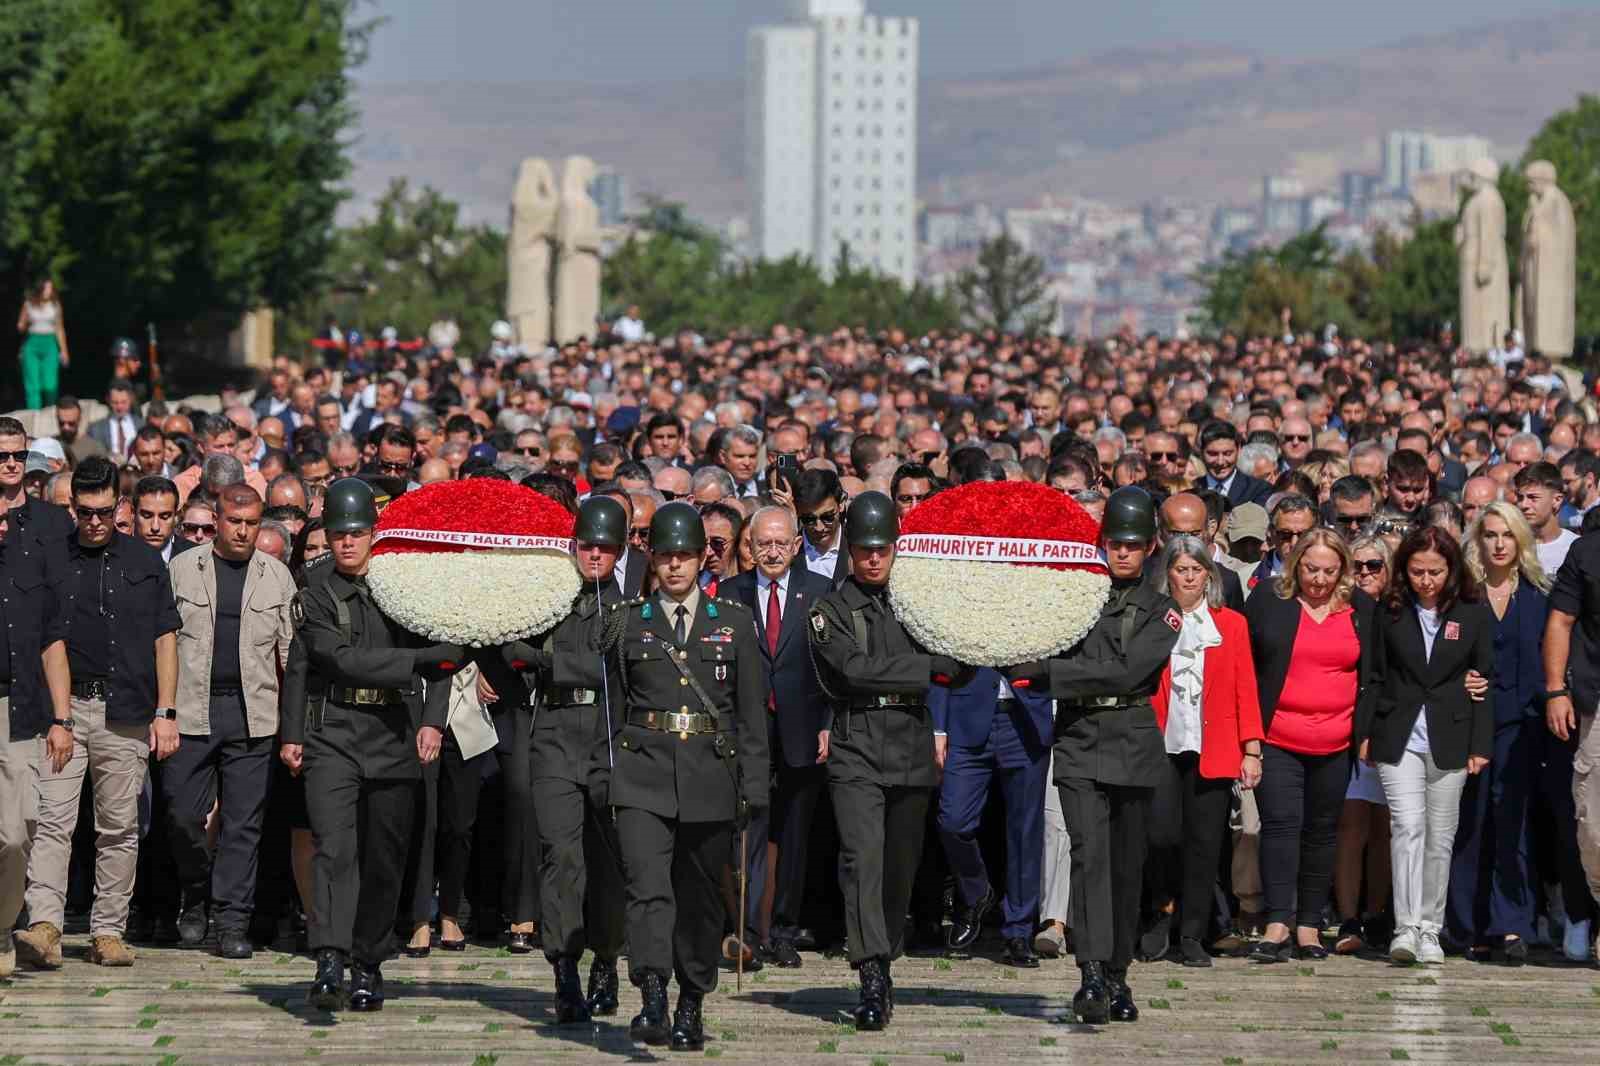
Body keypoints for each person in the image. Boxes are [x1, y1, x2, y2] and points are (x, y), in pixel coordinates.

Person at [1005, 486, 1181, 1024]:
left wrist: (1055, 678)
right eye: (1114, 542)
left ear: (1151, 546)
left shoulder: (1164, 609)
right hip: (1081, 739)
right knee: (1088, 858)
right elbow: (1039, 647)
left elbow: (1131, 673)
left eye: (1132, 543)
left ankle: (1120, 972)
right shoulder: (1077, 599)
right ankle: (1092, 977)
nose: (1122, 552)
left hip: (1130, 737)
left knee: (1127, 867)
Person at [280, 478, 457, 1011]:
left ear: (375, 534)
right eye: (337, 534)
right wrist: (293, 733)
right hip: (333, 730)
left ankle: (368, 962)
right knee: (334, 847)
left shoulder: (401, 587)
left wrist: (433, 719)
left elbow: (444, 655)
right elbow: (314, 664)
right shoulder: (314, 591)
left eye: (357, 533)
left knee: (385, 856)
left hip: (394, 731)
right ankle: (330, 956)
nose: (347, 543)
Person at [598, 501, 767, 1050]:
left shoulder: (734, 625)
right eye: (666, 556)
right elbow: (615, 704)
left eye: (685, 557)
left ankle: (691, 999)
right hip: (643, 771)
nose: (674, 567)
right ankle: (650, 990)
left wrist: (755, 786)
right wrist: (611, 772)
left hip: (710, 774)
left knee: (698, 899)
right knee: (647, 888)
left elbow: (749, 715)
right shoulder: (628, 621)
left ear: (702, 560)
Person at [14, 456, 181, 970]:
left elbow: (165, 639)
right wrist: (59, 718)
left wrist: (166, 711)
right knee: (52, 820)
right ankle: (45, 925)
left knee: (118, 826)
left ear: (119, 506)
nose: (94, 522)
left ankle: (109, 931)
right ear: (72, 509)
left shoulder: (145, 561)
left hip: (127, 709)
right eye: (84, 512)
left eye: (104, 511)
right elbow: (45, 640)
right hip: (65, 711)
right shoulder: (51, 560)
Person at [807, 490, 962, 1029]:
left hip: (911, 742)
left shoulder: (916, 602)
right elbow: (851, 670)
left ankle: (886, 950)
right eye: (865, 549)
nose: (874, 558)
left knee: (899, 865)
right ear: (850, 550)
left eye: (884, 549)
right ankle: (870, 969)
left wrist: (945, 662)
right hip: (857, 743)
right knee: (861, 859)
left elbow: (959, 664)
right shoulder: (830, 609)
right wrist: (925, 669)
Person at [498, 497, 629, 1023]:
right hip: (552, 733)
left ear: (619, 551)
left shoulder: (625, 609)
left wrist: (546, 661)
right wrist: (531, 661)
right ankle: (565, 969)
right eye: (585, 545)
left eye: (603, 547)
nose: (593, 554)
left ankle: (606, 958)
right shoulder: (549, 600)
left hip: (608, 738)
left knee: (612, 862)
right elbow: (508, 647)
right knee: (561, 858)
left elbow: (602, 667)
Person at [164, 484, 296, 958]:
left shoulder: (277, 577)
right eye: (234, 521)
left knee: (244, 823)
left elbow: (290, 655)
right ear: (216, 520)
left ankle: (232, 921)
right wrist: (162, 713)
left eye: (251, 522)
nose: (242, 531)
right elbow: (160, 647)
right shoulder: (182, 569)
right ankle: (196, 890)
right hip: (190, 707)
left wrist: (293, 725)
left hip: (253, 714)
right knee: (181, 815)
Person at [1244, 528, 1378, 962]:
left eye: (1329, 571)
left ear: (1342, 571)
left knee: (1322, 833)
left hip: (1336, 741)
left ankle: (1309, 925)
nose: (1319, 580)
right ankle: (1278, 920)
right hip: (1278, 736)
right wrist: (1248, 741)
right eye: (1310, 569)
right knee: (1281, 825)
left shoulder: (1362, 608)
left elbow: (1375, 676)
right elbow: (1245, 670)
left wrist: (1365, 733)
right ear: (1296, 562)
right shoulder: (1268, 600)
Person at [1362, 526, 1493, 965]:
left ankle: (1431, 928)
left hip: (1452, 735)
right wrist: (1363, 733)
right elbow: (1374, 674)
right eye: (1417, 571)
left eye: (1435, 571)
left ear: (1452, 569)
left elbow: (1484, 679)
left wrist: (1480, 744)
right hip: (1397, 734)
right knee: (1407, 827)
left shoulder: (1472, 611)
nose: (1426, 580)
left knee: (1440, 836)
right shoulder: (1391, 609)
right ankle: (1405, 926)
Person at [722, 506, 835, 969]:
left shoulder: (820, 591)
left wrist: (828, 722)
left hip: (802, 731)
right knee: (748, 832)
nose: (771, 552)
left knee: (794, 836)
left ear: (794, 546)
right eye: (762, 543)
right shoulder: (730, 594)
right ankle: (747, 933)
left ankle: (785, 931)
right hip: (749, 734)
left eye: (780, 543)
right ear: (749, 546)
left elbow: (833, 665)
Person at [1145, 536, 1263, 968]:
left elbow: (1245, 687)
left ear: (1208, 576)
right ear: (1169, 575)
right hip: (1162, 745)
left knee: (1204, 843)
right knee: (1161, 835)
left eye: (1197, 569)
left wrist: (1252, 750)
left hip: (1215, 745)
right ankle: (1162, 911)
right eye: (1181, 569)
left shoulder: (1230, 624)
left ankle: (1193, 932)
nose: (1190, 576)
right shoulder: (1153, 619)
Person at [1449, 503, 1549, 963]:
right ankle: (1465, 924)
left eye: (1508, 535)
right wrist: (1460, 679)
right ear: (1478, 540)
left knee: (1514, 824)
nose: (1499, 543)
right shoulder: (1462, 596)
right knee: (1468, 823)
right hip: (1470, 722)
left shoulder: (1537, 594)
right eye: (1490, 534)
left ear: (1520, 541)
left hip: (1522, 723)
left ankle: (1511, 924)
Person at [930, 656, 1055, 964]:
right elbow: (939, 652)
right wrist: (938, 725)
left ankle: (1018, 931)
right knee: (953, 821)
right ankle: (977, 895)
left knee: (1025, 831)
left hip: (1025, 717)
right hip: (965, 715)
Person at [0, 503, 72, 979]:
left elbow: (52, 642)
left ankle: (2, 925)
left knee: (15, 835)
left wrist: (62, 718)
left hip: (19, 707)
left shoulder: (32, 561)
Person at [1331, 534, 1394, 955]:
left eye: (1375, 565)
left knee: (1386, 829)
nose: (1366, 573)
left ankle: (1379, 912)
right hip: (1348, 729)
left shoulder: (1397, 612)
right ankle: (1348, 916)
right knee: (1352, 825)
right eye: (1358, 566)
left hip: (1390, 727)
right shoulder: (1343, 611)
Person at [16, 279, 69, 409]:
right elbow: (20, 326)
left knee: (50, 384)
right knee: (33, 384)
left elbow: (59, 328)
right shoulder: (29, 304)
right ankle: (34, 412)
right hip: (32, 343)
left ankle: (51, 409)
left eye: (51, 288)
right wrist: (24, 324)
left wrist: (64, 351)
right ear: (40, 289)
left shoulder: (55, 305)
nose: (49, 291)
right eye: (46, 288)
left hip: (50, 343)